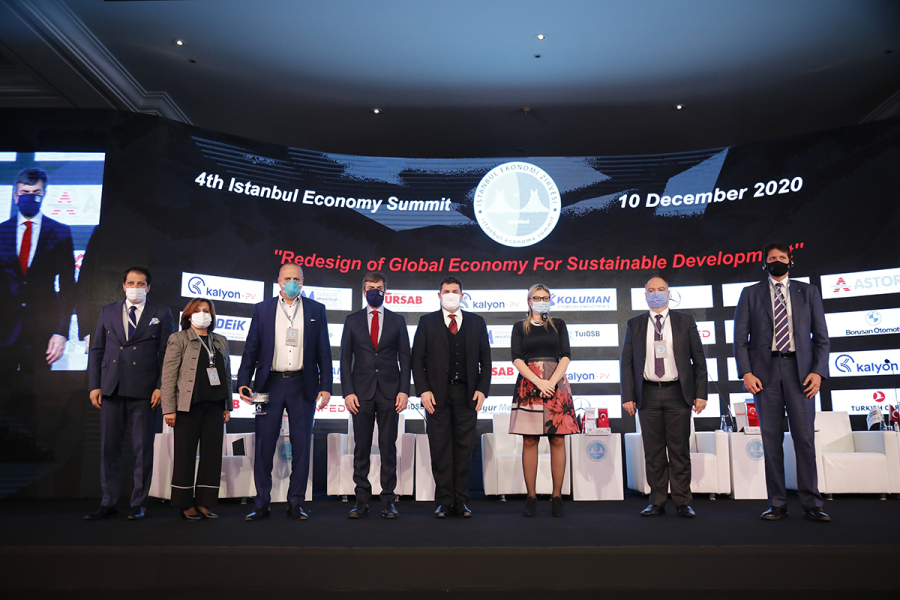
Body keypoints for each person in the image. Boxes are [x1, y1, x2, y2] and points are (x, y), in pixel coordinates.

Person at [734, 242, 831, 522]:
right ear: (765, 264)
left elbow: (821, 338)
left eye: (782, 257)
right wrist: (746, 373)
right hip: (765, 373)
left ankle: (812, 504)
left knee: (805, 438)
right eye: (772, 258)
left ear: (790, 261)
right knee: (771, 440)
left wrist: (818, 372)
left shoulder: (808, 292)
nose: (777, 260)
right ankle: (777, 503)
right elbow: (740, 339)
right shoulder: (750, 293)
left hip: (801, 372)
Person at [237, 263, 332, 520]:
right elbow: (251, 348)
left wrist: (326, 386)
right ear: (278, 280)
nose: (292, 283)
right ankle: (261, 503)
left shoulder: (316, 309)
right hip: (267, 385)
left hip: (303, 384)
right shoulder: (262, 309)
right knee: (263, 444)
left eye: (296, 279)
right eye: (287, 278)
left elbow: (324, 350)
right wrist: (243, 381)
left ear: (303, 281)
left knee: (302, 445)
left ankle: (296, 502)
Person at [85, 267, 174, 520]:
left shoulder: (161, 312)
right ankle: (109, 502)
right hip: (111, 387)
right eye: (131, 283)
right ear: (124, 286)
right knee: (108, 448)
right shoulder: (108, 310)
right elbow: (97, 349)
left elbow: (168, 354)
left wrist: (161, 386)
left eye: (141, 283)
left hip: (145, 391)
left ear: (148, 287)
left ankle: (138, 504)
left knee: (142, 450)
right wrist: (94, 385)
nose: (135, 287)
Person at [621, 276, 707, 518]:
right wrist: (628, 395)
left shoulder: (685, 321)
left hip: (678, 392)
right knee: (653, 452)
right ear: (645, 295)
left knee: (680, 451)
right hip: (647, 393)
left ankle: (682, 502)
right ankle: (657, 502)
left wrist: (700, 393)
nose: (656, 293)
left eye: (661, 289)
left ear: (668, 294)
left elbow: (699, 360)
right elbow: (626, 363)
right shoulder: (634, 324)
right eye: (651, 290)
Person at [412, 276, 492, 518]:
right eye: (446, 291)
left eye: (455, 291)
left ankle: (462, 501)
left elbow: (486, 359)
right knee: (440, 449)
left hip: (467, 394)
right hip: (437, 396)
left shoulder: (477, 322)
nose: (450, 295)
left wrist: (482, 389)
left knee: (464, 449)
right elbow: (417, 359)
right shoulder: (427, 322)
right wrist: (423, 390)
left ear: (462, 295)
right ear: (439, 295)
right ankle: (444, 501)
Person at [340, 271, 410, 519]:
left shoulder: (398, 321)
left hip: (390, 392)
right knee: (361, 447)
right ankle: (361, 501)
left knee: (388, 447)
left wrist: (404, 390)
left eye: (379, 288)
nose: (375, 292)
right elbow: (345, 359)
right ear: (363, 291)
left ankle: (388, 500)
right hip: (360, 393)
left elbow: (405, 358)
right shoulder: (352, 320)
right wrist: (348, 392)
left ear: (385, 291)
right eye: (370, 288)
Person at [510, 284, 578, 517]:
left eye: (545, 297)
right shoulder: (519, 327)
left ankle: (557, 497)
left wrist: (551, 382)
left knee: (557, 439)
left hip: (556, 382)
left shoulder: (559, 324)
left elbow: (566, 355)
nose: (541, 301)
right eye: (537, 297)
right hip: (529, 384)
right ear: (529, 301)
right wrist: (538, 381)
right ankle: (531, 497)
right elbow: (516, 358)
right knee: (530, 440)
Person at [160, 298, 232, 520]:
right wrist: (169, 409)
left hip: (215, 406)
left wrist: (227, 405)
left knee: (212, 456)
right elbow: (169, 376)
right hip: (187, 407)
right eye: (198, 310)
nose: (203, 314)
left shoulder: (220, 340)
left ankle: (204, 502)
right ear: (189, 316)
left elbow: (227, 375)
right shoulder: (178, 338)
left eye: (207, 310)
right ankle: (184, 503)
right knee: (185, 456)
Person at [0, 167, 74, 371]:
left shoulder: (61, 233)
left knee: (36, 388)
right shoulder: (1, 232)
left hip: (42, 333)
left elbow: (68, 287)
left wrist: (61, 332)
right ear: (15, 196)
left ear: (44, 195)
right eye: (25, 193)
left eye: (36, 193)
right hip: (3, 331)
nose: (30, 197)